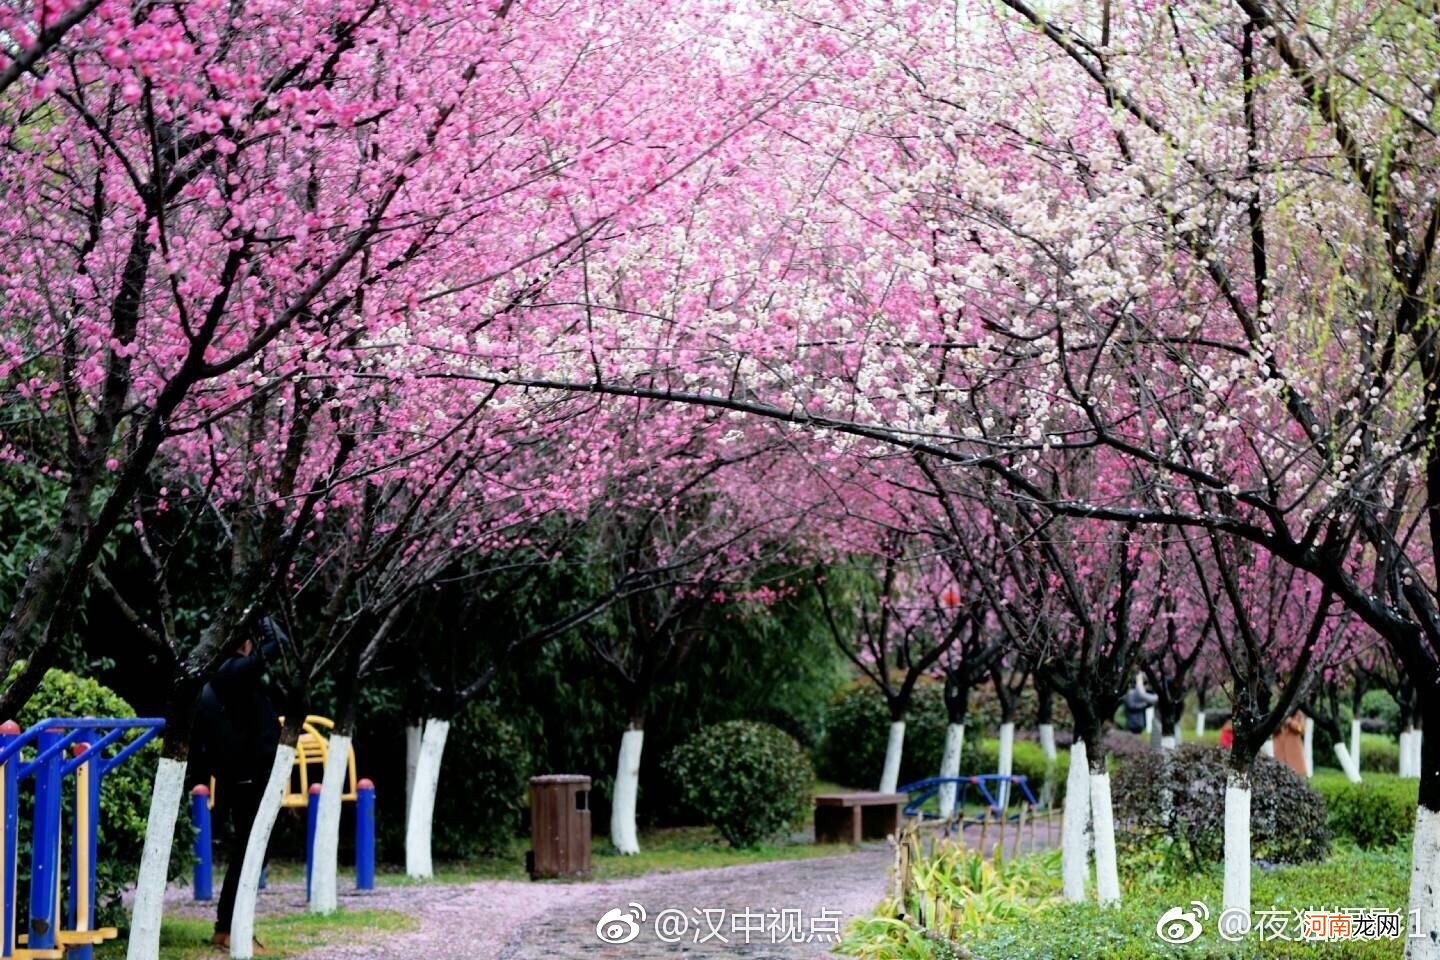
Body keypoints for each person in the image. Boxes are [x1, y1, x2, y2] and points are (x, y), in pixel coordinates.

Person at [191, 617, 287, 954]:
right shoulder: (230, 671)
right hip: (246, 777)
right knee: (250, 851)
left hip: (247, 774)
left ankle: (227, 927)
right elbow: (278, 645)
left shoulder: (231, 673)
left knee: (250, 851)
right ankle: (230, 928)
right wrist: (264, 617)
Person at [1272, 710, 1308, 777]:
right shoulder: (1277, 713)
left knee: (1299, 779)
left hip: (1295, 755)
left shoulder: (1299, 714)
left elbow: (1301, 729)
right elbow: (1270, 729)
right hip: (1280, 754)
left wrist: (1290, 722)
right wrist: (1281, 722)